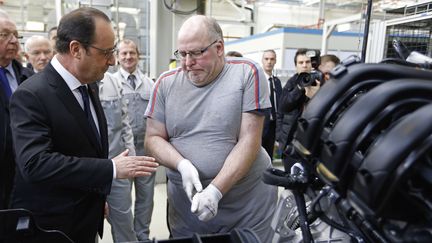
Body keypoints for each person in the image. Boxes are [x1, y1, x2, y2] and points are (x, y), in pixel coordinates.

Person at [9, 7, 158, 243]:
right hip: (52, 228)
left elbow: (87, 148)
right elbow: (35, 163)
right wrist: (111, 169)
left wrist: (98, 197)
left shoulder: (88, 86)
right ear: (76, 49)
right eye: (106, 52)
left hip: (85, 220)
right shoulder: (32, 95)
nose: (112, 61)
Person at [144, 15, 277, 242]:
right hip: (188, 209)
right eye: (182, 54)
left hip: (246, 206)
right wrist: (181, 164)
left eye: (196, 53)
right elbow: (153, 138)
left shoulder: (246, 73)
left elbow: (250, 139)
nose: (187, 63)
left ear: (219, 48)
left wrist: (215, 190)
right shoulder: (165, 83)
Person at [112, 39, 155, 241]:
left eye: (132, 53)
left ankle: (142, 236)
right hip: (124, 152)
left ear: (138, 55)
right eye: (124, 53)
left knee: (146, 198)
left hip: (146, 150)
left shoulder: (150, 83)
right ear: (118, 57)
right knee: (122, 199)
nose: (128, 57)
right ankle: (127, 237)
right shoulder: (111, 83)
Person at [98, 72, 138, 242]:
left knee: (124, 224)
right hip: (84, 171)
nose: (112, 59)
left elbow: (125, 124)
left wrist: (131, 156)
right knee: (86, 227)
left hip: (117, 167)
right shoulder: (70, 85)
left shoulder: (113, 82)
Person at [0, 15, 33, 210]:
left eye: (15, 35)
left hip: (24, 164)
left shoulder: (28, 77)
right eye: (5, 35)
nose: (13, 40)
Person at [277, 48, 320, 170]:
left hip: (311, 142)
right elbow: (282, 108)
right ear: (296, 66)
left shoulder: (319, 81)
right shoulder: (292, 82)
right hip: (290, 142)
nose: (304, 65)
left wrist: (315, 96)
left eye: (307, 62)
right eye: (301, 63)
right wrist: (299, 88)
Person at [261, 49, 282, 161]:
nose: (269, 62)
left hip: (273, 124)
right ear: (262, 61)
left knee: (269, 155)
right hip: (261, 123)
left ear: (275, 61)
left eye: (272, 59)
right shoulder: (257, 79)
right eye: (266, 59)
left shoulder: (276, 81)